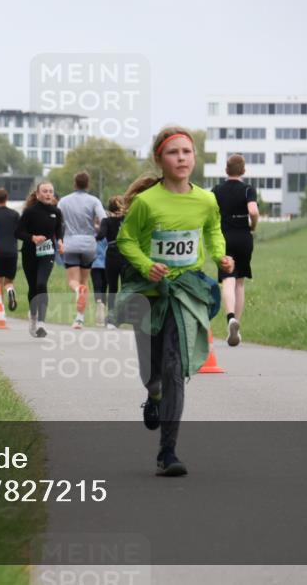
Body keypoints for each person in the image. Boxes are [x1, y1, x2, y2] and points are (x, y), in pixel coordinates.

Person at [117, 126, 234, 477]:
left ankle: (167, 452)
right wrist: (146, 265)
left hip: (185, 291)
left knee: (174, 369)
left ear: (195, 158)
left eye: (187, 152)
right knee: (151, 373)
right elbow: (126, 241)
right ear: (159, 159)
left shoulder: (206, 200)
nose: (181, 158)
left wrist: (220, 256)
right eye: (173, 152)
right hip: (149, 291)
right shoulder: (146, 202)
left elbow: (213, 230)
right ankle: (152, 396)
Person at [212, 154, 260, 347]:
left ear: (226, 170)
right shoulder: (248, 189)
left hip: (223, 238)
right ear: (243, 171)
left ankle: (230, 317)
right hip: (243, 237)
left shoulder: (216, 190)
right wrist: (253, 225)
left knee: (228, 280)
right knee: (239, 283)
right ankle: (236, 326)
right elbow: (254, 211)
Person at [58, 172, 106, 329]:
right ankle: (80, 318)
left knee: (73, 281)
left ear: (74, 184)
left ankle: (77, 291)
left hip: (70, 242)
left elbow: (58, 222)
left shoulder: (64, 201)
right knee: (85, 281)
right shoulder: (94, 201)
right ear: (88, 184)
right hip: (88, 243)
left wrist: (59, 238)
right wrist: (98, 235)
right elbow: (103, 219)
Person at [17, 181, 64, 337]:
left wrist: (60, 241)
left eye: (51, 191)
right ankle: (33, 317)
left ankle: (42, 323)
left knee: (41, 283)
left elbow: (59, 229)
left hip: (47, 253)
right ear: (37, 194)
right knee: (32, 287)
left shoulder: (56, 212)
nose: (48, 194)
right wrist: (32, 238)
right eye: (45, 191)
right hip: (29, 253)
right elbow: (18, 232)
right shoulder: (29, 212)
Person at [97, 196, 126, 329]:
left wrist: (96, 230)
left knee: (113, 288)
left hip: (112, 255)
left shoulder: (106, 221)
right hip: (127, 255)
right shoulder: (127, 219)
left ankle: (111, 319)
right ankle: (126, 316)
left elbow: (101, 236)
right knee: (126, 287)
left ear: (110, 207)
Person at [92, 236, 108, 327]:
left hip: (95, 264)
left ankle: (99, 302)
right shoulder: (106, 236)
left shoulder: (93, 236)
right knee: (104, 288)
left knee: (96, 286)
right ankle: (103, 307)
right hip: (106, 264)